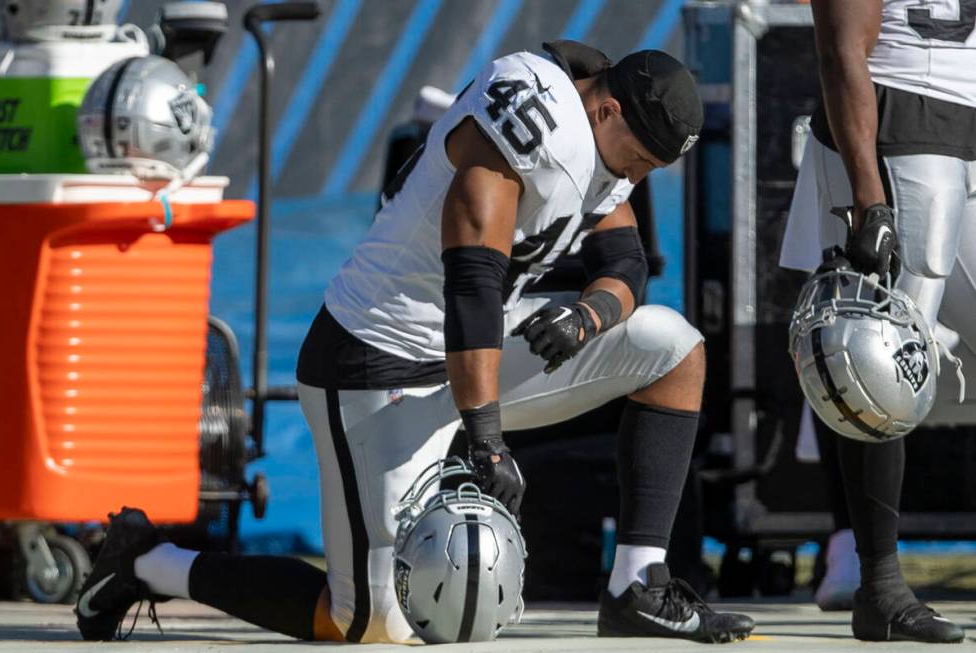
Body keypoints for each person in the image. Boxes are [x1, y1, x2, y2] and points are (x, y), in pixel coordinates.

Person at [75, 40, 755, 644]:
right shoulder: (535, 131)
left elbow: (627, 265)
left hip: (471, 347)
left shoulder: (600, 135)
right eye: (637, 158)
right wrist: (486, 439)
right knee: (364, 623)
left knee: (673, 347)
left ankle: (635, 584)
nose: (634, 176)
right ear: (607, 112)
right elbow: (472, 289)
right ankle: (145, 560)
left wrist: (587, 317)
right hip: (379, 364)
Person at [780, 0, 976, 643]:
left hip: (962, 122)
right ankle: (880, 586)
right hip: (900, 119)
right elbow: (841, 49)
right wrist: (869, 196)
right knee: (882, 356)